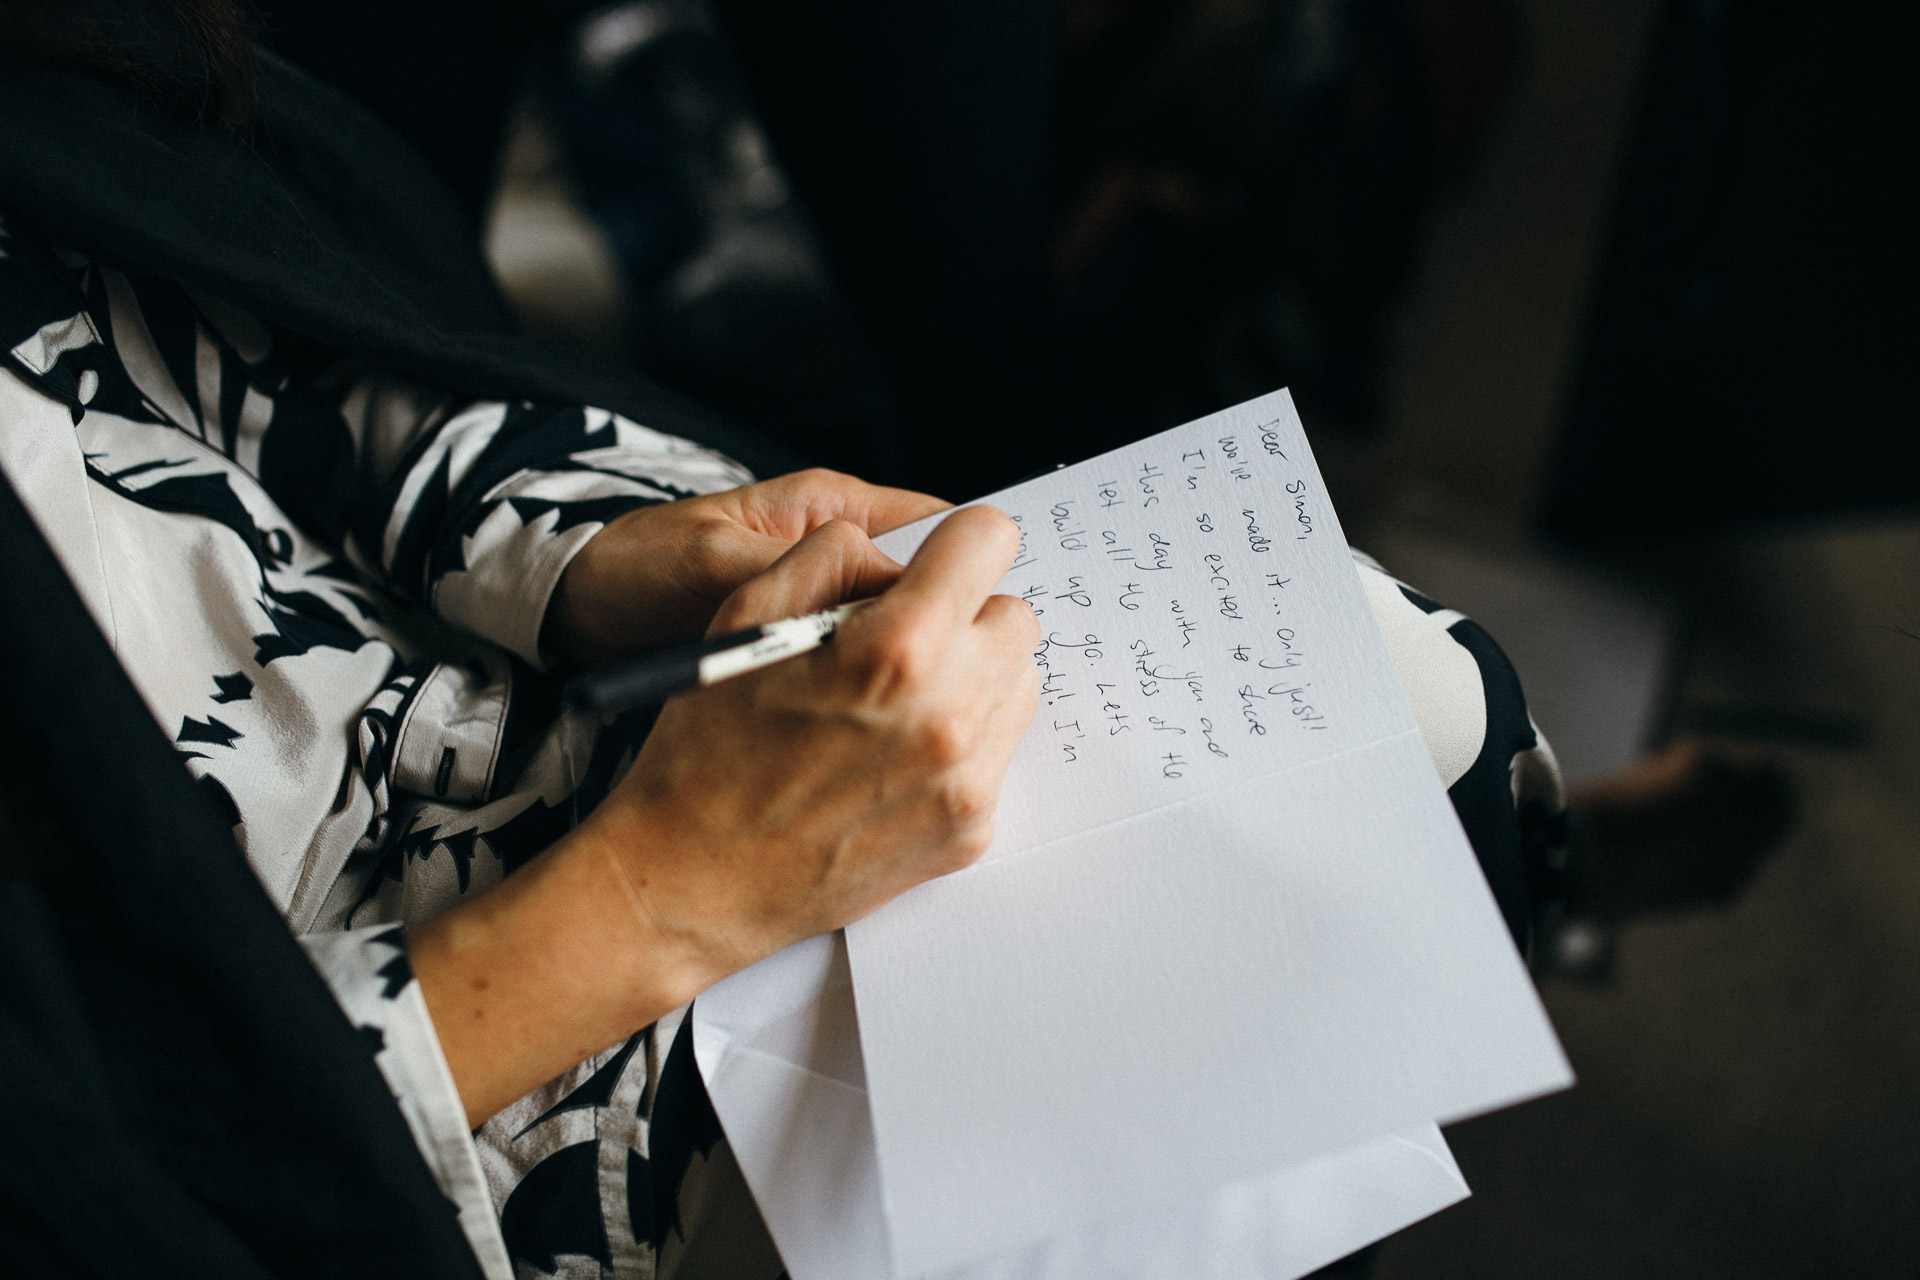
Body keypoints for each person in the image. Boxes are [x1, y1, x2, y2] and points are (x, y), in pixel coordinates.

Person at [0, 4, 1568, 1276]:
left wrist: (582, 555)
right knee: (1341, 896)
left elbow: (209, 299)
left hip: (476, 610)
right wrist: (665, 890)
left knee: (1425, 705)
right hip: (421, 1052)